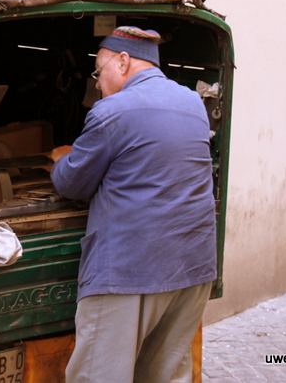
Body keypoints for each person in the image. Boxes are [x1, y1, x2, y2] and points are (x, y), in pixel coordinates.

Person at [50, 26, 217, 383]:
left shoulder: (113, 110)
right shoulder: (192, 102)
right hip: (193, 267)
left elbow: (72, 184)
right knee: (165, 375)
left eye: (99, 71)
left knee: (100, 376)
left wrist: (61, 158)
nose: (96, 83)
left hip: (129, 271)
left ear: (123, 62)